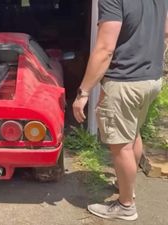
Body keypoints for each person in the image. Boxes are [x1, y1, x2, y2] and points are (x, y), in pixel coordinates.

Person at [72, 0, 168, 221]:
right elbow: (164, 31)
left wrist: (84, 92)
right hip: (150, 79)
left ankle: (125, 205)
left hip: (126, 81)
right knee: (132, 133)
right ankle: (127, 186)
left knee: (120, 145)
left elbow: (105, 49)